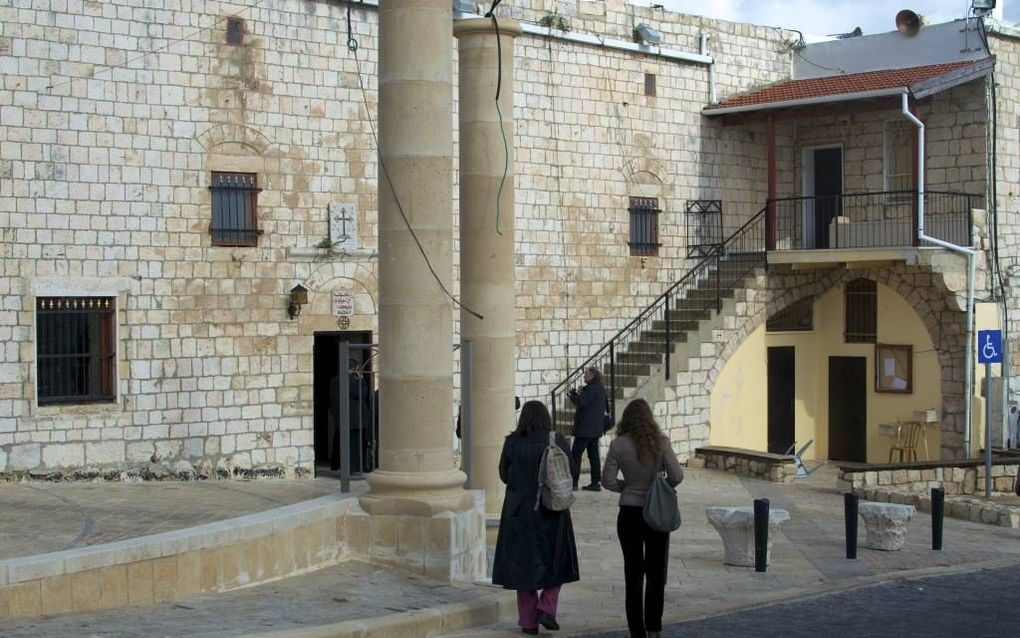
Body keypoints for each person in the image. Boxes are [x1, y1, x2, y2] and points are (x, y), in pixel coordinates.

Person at [492, 401, 580, 635]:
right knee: (558, 562)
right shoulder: (556, 439)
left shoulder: (511, 442)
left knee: (523, 569)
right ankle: (547, 607)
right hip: (551, 510)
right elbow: (571, 470)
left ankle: (529, 622)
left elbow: (504, 474)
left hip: (518, 512)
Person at [602, 398, 684, 638]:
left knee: (633, 573)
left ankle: (636, 632)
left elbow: (607, 480)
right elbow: (677, 476)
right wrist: (661, 486)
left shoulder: (618, 445)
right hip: (656, 511)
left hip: (629, 512)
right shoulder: (662, 443)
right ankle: (654, 628)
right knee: (657, 574)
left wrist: (626, 487)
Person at [568, 367, 608, 491]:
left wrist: (572, 396)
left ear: (592, 375)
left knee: (575, 455)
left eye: (586, 375)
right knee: (594, 456)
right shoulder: (600, 387)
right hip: (595, 429)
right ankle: (595, 482)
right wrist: (578, 394)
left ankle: (573, 483)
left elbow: (583, 403)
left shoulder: (591, 388)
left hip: (585, 429)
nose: (584, 377)